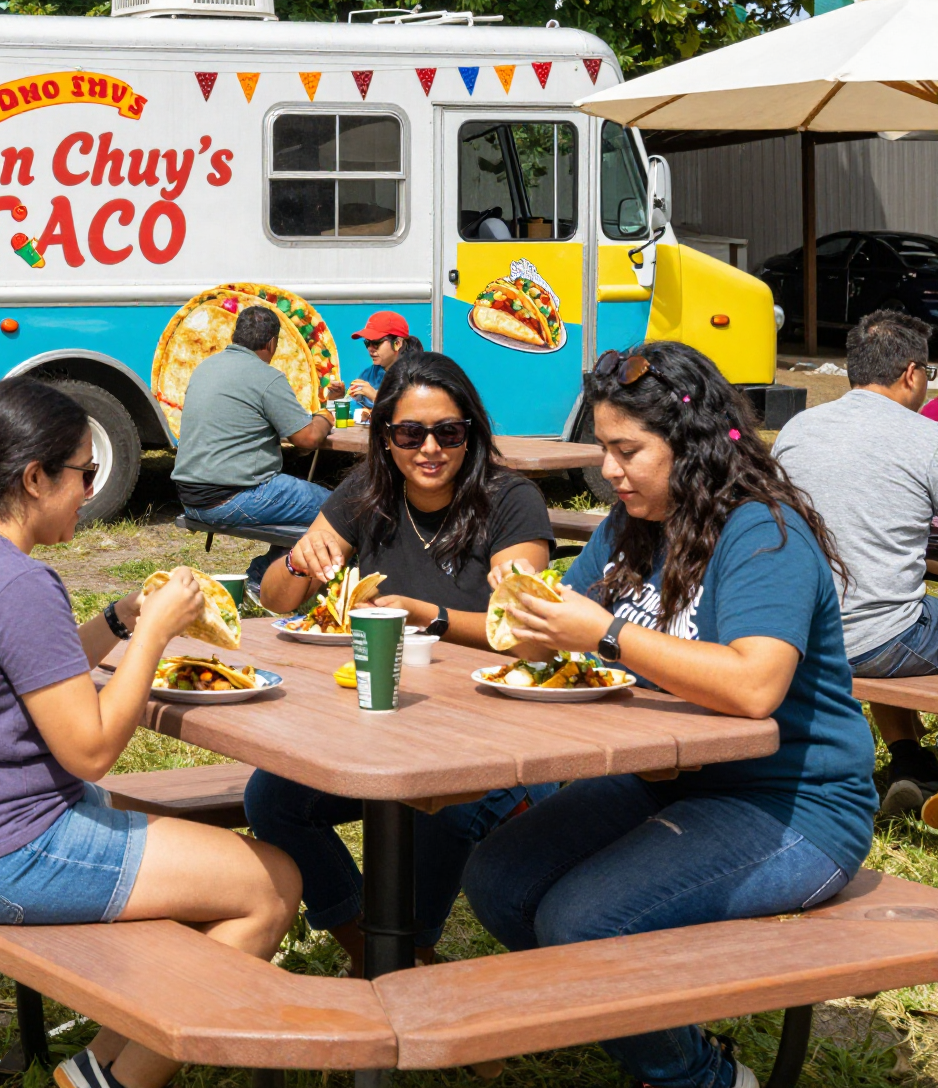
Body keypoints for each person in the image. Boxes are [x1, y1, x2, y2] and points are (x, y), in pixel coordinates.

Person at [462, 342, 876, 1088]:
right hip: (668, 777)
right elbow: (557, 631)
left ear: (689, 446)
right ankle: (640, 1019)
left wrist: (607, 634)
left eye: (628, 452)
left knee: (582, 922)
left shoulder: (762, 531)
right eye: (604, 451)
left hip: (794, 804)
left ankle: (703, 1077)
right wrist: (524, 605)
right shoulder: (633, 523)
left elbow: (755, 686)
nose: (609, 471)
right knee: (499, 877)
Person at [0, 377, 301, 1088]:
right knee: (272, 884)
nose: (89, 489)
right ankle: (116, 1079)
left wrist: (117, 619)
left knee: (204, 860)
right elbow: (92, 750)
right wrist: (155, 633)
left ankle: (92, 1069)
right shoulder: (19, 583)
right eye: (84, 472)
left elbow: (35, 667)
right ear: (34, 478)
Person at [247, 349, 554, 973]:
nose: (430, 449)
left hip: (496, 740)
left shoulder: (510, 500)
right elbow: (278, 602)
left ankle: (405, 956)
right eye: (411, 434)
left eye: (449, 432)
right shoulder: (367, 492)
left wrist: (428, 615)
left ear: (471, 432)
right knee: (273, 800)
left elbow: (529, 634)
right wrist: (301, 558)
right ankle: (380, 959)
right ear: (386, 438)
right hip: (384, 728)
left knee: (436, 800)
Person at [771, 309, 938, 814]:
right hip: (883, 640)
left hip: (805, 634)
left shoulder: (797, 428)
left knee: (886, 594)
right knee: (893, 607)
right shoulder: (924, 438)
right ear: (911, 373)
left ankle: (910, 762)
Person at [171, 304, 334, 585]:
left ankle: (271, 575)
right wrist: (325, 416)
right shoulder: (266, 376)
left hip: (191, 498)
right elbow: (307, 438)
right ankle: (263, 577)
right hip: (233, 497)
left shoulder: (205, 367)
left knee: (300, 507)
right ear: (271, 343)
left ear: (236, 336)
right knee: (341, 510)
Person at [346, 310, 422, 402]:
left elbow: (416, 408)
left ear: (397, 343)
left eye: (376, 343)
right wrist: (339, 397)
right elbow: (355, 404)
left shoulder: (418, 376)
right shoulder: (369, 375)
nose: (370, 348)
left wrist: (376, 397)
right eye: (367, 342)